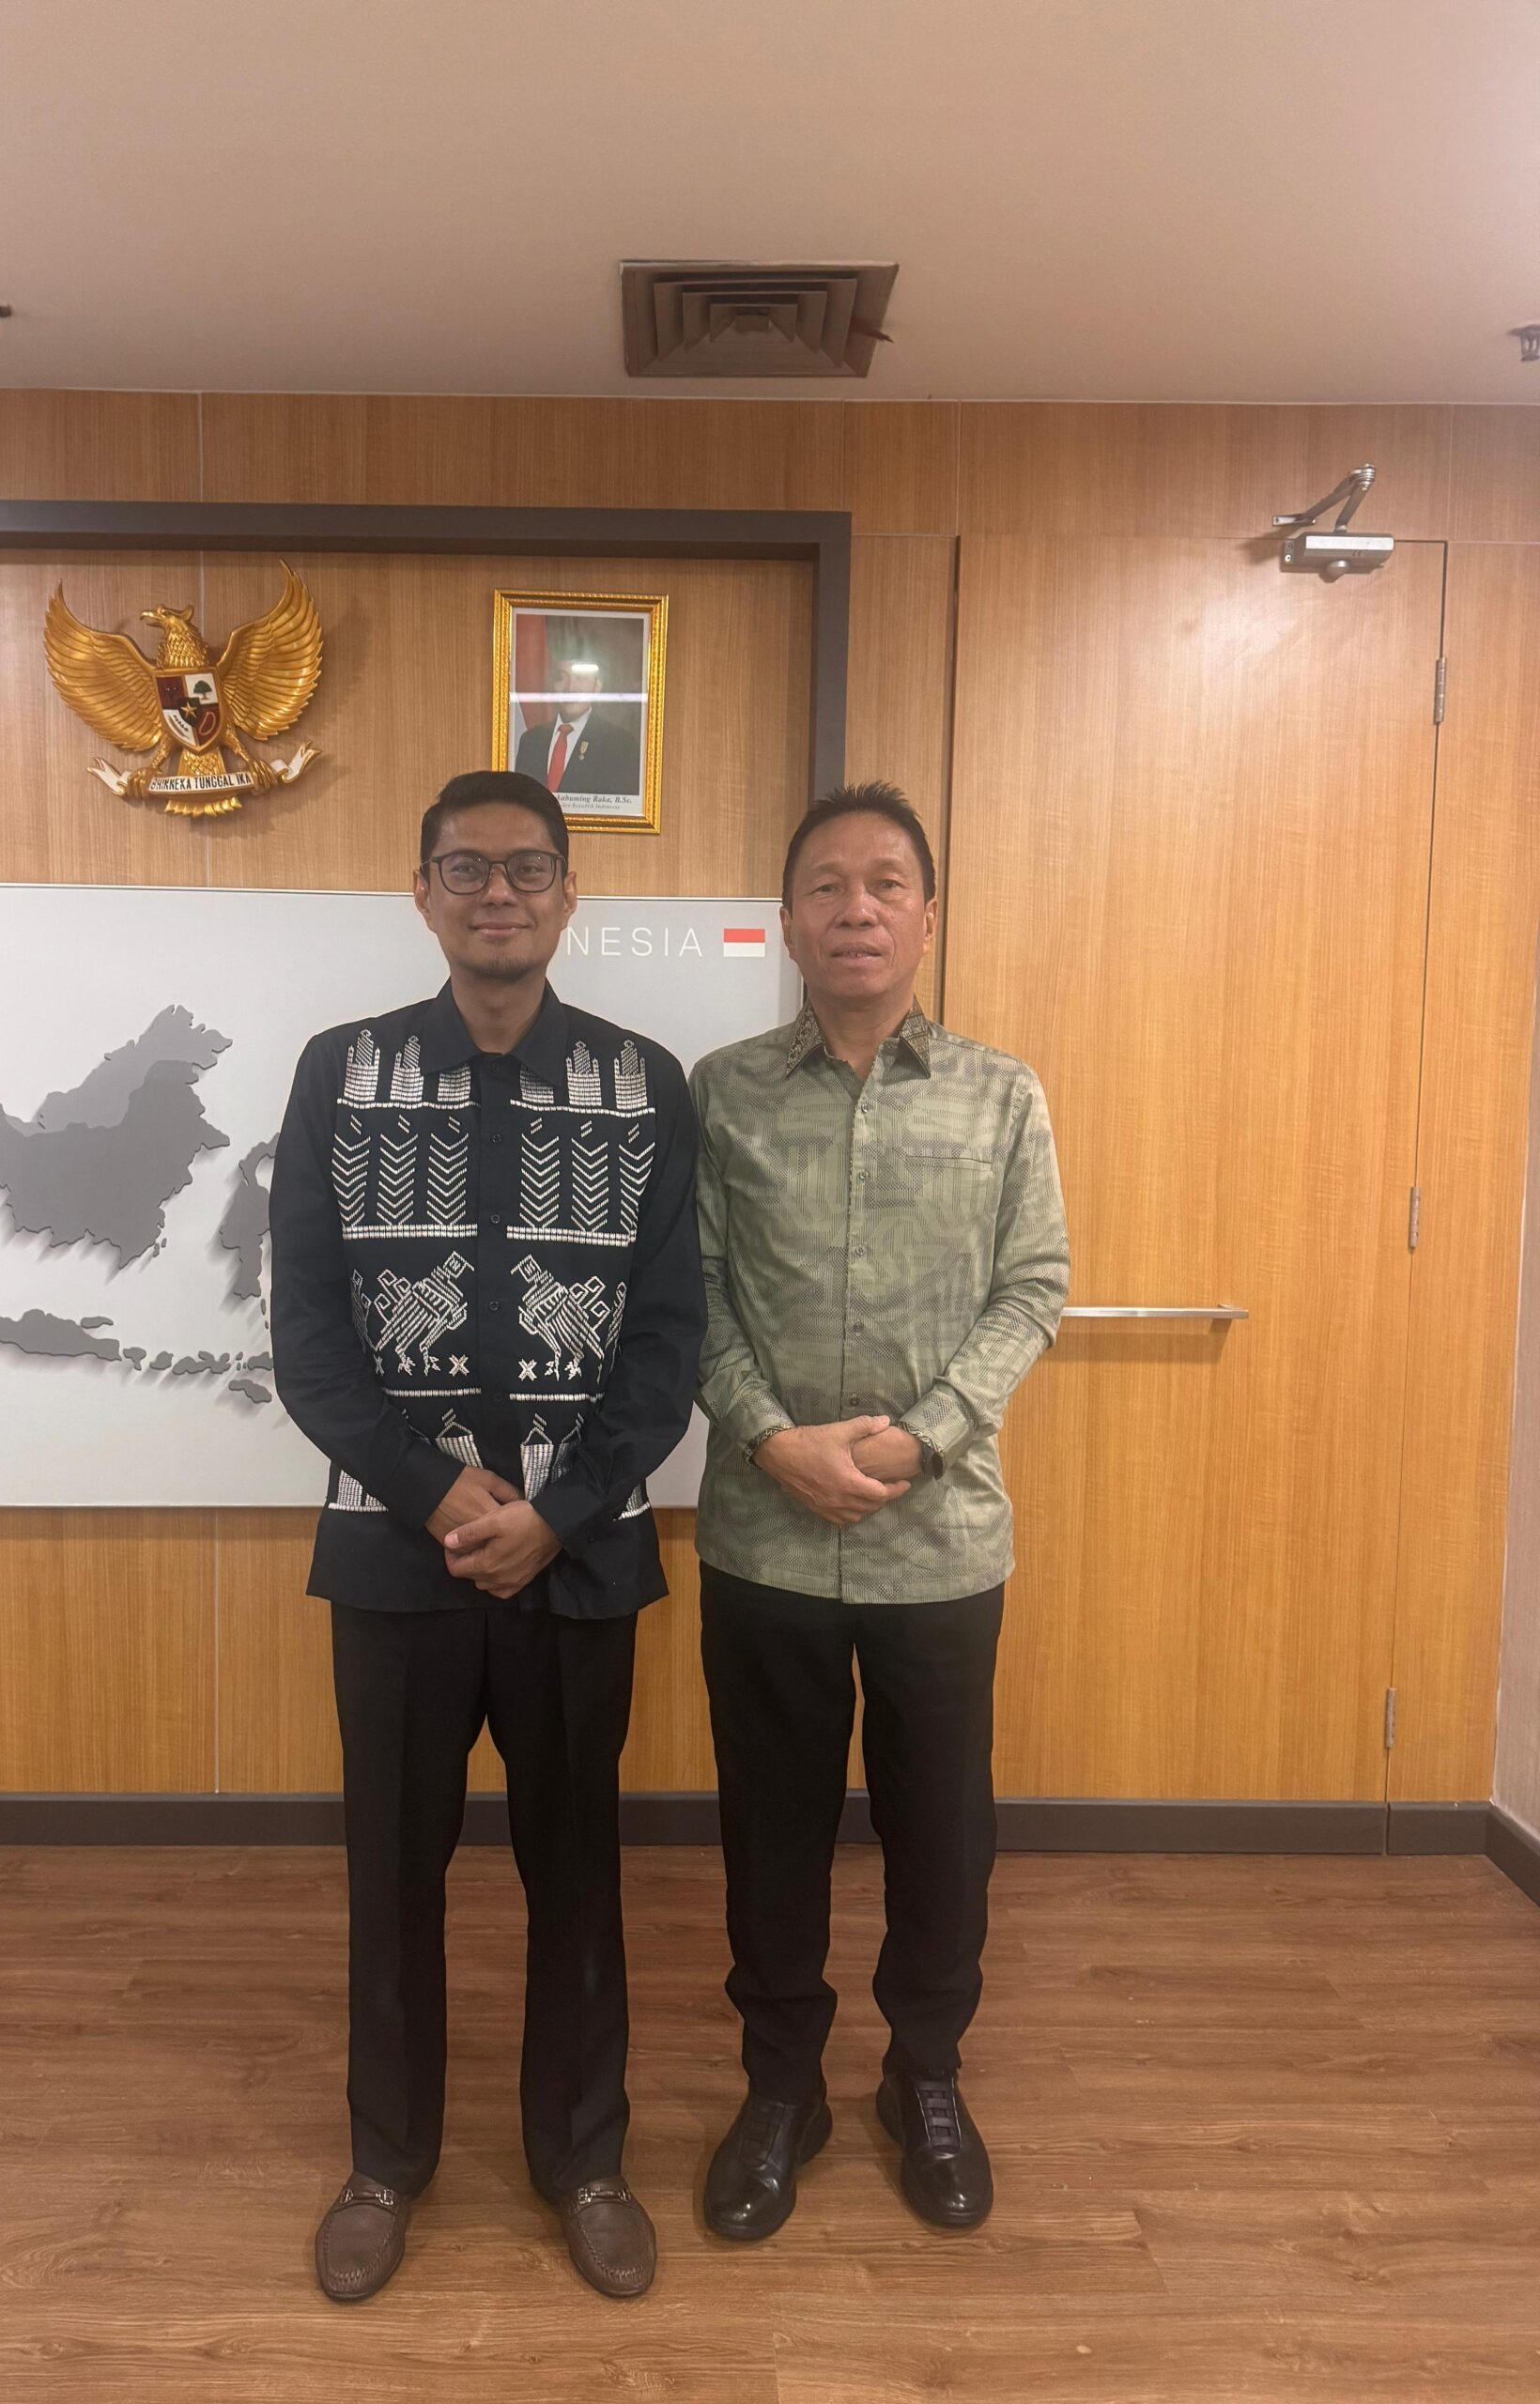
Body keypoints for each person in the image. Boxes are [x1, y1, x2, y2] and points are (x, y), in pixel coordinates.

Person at [269, 768, 703, 2304]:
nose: (499, 893)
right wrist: (432, 1489)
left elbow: (668, 1343)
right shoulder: (341, 1073)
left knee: (577, 1871)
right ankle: (385, 2160)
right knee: (392, 1871)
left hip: (581, 1561)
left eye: (528, 868)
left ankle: (584, 2159)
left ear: (570, 895)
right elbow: (309, 1341)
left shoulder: (645, 1084)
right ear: (423, 892)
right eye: (467, 868)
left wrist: (559, 1512)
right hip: (396, 1558)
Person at [689, 780, 1069, 2243]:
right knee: (771, 1831)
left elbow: (1033, 1286)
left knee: (940, 1833)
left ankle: (925, 2077)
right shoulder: (723, 1091)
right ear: (789, 922)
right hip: (764, 1534)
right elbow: (692, 1295)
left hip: (942, 1542)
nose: (857, 909)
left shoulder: (1001, 1093)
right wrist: (773, 1440)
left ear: (927, 917)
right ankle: (779, 2087)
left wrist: (924, 1438)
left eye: (886, 884)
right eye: (827, 886)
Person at [513, 658, 641, 804]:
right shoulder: (530, 740)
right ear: (552, 685)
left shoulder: (620, 744)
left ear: (597, 686)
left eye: (581, 678)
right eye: (561, 677)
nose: (570, 688)